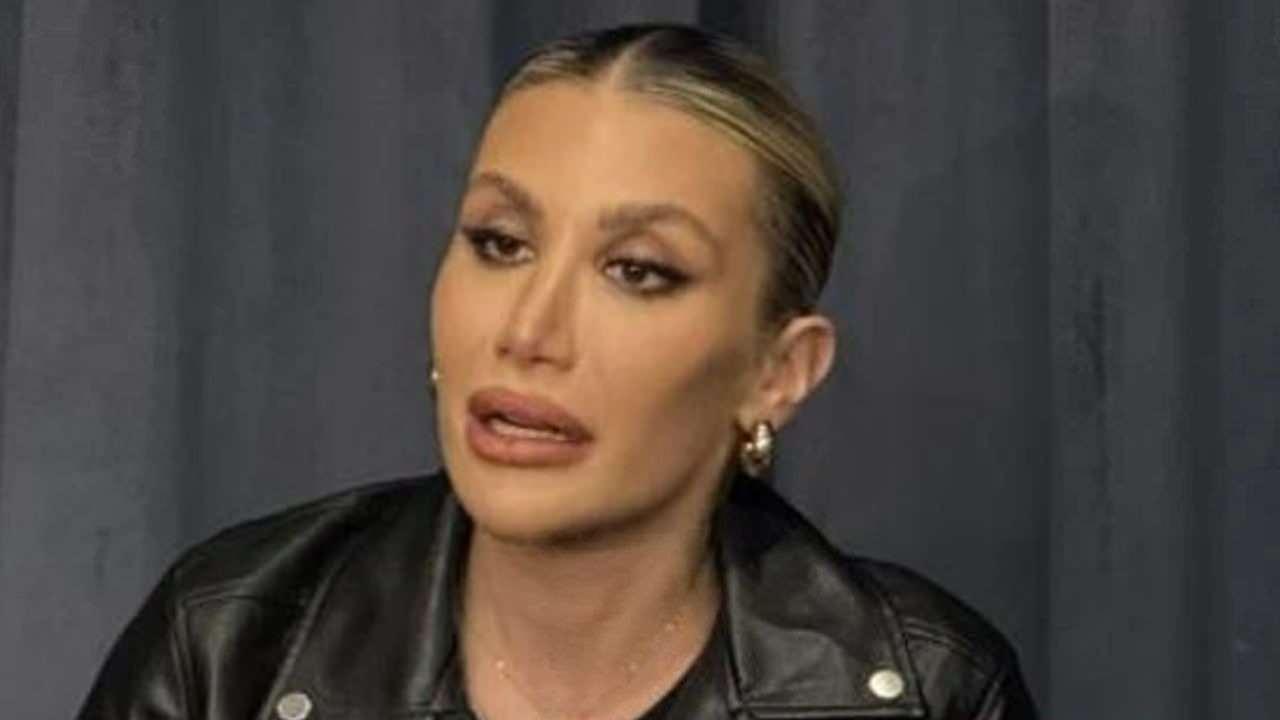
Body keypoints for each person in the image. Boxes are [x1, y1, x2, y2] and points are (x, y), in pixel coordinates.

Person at [79, 23, 1037, 720]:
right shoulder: (230, 645)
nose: (530, 330)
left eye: (637, 271)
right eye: (500, 243)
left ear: (778, 373)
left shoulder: (926, 689)